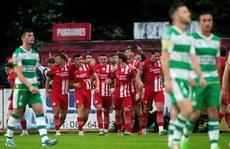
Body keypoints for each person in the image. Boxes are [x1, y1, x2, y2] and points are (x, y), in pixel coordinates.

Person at [161, 3, 205, 149]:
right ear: (176, 16)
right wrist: (167, 79)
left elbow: (192, 60)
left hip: (186, 79)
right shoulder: (170, 35)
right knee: (188, 109)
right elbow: (165, 58)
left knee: (177, 112)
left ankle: (172, 143)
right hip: (175, 78)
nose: (189, 14)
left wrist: (197, 76)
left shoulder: (189, 37)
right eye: (185, 12)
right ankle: (175, 142)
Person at [4, 28, 58, 146]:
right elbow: (18, 73)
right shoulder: (17, 53)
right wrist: (29, 86)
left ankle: (44, 140)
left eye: (32, 35)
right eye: (29, 35)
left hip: (33, 87)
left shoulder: (35, 54)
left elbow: (33, 71)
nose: (32, 37)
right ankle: (8, 139)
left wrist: (36, 83)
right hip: (22, 88)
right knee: (17, 113)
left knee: (39, 111)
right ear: (23, 38)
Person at [180, 11, 221, 149]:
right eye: (204, 20)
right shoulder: (192, 39)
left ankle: (214, 145)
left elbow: (217, 62)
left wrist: (218, 81)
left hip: (213, 81)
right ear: (199, 23)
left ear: (212, 22)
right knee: (195, 113)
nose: (207, 23)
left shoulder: (216, 40)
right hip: (197, 80)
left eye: (210, 20)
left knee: (213, 110)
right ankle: (185, 136)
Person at [136, 48, 167, 135]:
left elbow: (165, 72)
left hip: (159, 90)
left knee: (160, 108)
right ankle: (143, 129)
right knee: (145, 111)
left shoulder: (161, 62)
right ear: (151, 55)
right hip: (149, 90)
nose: (158, 58)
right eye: (156, 56)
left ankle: (161, 129)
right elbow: (138, 75)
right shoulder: (145, 63)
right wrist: (139, 82)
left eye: (159, 56)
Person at [69, 53, 100, 136]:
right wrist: (74, 85)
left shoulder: (88, 66)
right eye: (77, 59)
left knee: (86, 114)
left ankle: (79, 127)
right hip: (78, 91)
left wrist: (97, 87)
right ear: (74, 61)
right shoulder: (72, 69)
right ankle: (80, 131)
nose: (79, 61)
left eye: (80, 59)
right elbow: (68, 82)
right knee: (80, 108)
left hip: (88, 92)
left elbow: (96, 77)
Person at [45, 53, 71, 136]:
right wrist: (46, 92)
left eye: (57, 59)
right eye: (55, 59)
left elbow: (78, 63)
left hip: (65, 94)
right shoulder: (53, 69)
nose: (55, 61)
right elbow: (47, 81)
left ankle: (57, 126)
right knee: (56, 110)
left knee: (63, 114)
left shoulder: (69, 67)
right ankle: (57, 130)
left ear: (63, 59)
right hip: (55, 93)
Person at [112, 52, 135, 136]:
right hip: (117, 94)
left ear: (120, 59)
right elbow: (111, 79)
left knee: (127, 110)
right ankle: (119, 130)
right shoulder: (115, 69)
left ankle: (128, 131)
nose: (115, 60)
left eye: (116, 58)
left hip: (126, 94)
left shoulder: (129, 68)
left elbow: (135, 77)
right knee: (118, 113)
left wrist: (135, 70)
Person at [4, 62, 29, 136]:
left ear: (7, 68)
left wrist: (13, 96)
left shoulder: (11, 76)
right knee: (21, 115)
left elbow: (15, 88)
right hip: (22, 96)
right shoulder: (17, 74)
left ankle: (9, 133)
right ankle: (24, 131)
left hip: (17, 97)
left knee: (9, 114)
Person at [93, 53, 113, 135]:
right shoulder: (95, 68)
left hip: (108, 93)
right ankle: (100, 128)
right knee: (99, 108)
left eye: (104, 59)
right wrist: (93, 82)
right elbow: (91, 78)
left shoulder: (111, 68)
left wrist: (112, 82)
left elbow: (115, 79)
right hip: (98, 93)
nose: (103, 61)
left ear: (107, 59)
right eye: (101, 59)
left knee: (106, 112)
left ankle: (106, 129)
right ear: (99, 59)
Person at [125, 46, 142, 134]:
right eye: (126, 52)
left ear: (132, 53)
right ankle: (129, 130)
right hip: (126, 90)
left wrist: (138, 92)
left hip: (135, 90)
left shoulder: (137, 63)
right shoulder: (123, 63)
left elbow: (139, 75)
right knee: (130, 110)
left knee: (138, 110)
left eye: (128, 52)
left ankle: (142, 129)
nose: (127, 54)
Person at [218, 47, 230, 128]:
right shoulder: (224, 63)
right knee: (224, 108)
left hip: (221, 87)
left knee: (225, 109)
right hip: (225, 88)